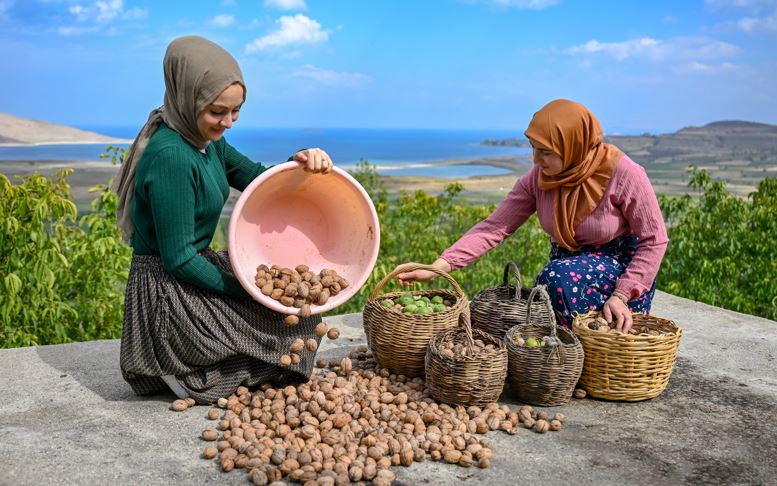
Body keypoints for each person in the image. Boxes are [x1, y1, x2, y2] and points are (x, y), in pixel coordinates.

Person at [111, 35, 333, 403]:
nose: (228, 122)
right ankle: (179, 368)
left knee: (302, 317)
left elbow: (259, 179)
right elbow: (179, 259)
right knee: (280, 340)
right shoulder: (173, 157)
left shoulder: (208, 140)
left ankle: (200, 360)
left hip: (195, 267)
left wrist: (303, 161)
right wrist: (245, 288)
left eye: (236, 112)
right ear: (187, 97)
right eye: (217, 111)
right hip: (169, 291)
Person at [395, 99, 668, 333]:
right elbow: (494, 227)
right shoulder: (539, 179)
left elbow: (654, 240)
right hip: (563, 276)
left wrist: (622, 294)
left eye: (546, 152)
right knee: (546, 287)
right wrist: (438, 267)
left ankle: (580, 348)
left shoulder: (625, 173)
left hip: (618, 274)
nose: (536, 160)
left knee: (556, 280)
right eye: (533, 148)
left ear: (573, 147)